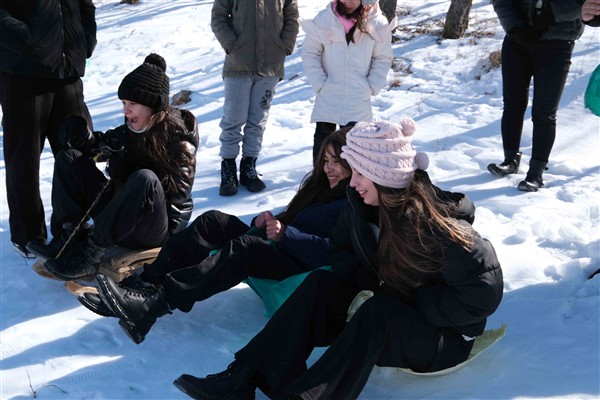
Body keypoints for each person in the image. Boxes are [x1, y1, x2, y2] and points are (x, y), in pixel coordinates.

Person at [170, 119, 503, 400]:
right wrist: (363, 287)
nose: (352, 181)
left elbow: (484, 292)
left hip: (444, 340)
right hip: (393, 313)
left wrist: (415, 300)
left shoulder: (434, 227)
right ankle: (247, 376)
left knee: (378, 312)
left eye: (359, 173)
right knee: (322, 284)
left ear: (384, 175)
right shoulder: (360, 209)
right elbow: (340, 253)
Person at [86, 131, 353, 344]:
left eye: (337, 162)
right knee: (214, 221)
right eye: (326, 161)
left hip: (299, 266)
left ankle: (156, 303)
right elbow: (294, 218)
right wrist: (273, 222)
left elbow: (335, 251)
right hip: (282, 246)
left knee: (245, 248)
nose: (330, 168)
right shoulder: (319, 187)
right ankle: (141, 287)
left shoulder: (351, 202)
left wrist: (288, 235)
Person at [27, 53, 199, 282]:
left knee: (144, 178)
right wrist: (84, 139)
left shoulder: (179, 141)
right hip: (121, 214)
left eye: (133, 104)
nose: (126, 110)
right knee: (69, 158)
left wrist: (131, 167)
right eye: (124, 104)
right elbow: (101, 145)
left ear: (153, 106)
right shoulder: (132, 128)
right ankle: (69, 236)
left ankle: (90, 255)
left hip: (154, 226)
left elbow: (176, 198)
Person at [0, 0, 97, 257]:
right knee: (24, 159)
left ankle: (75, 227)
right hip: (23, 73)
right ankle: (27, 235)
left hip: (69, 71)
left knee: (79, 152)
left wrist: (85, 39)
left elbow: (86, 5)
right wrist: (23, 40)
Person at [487, 0, 586, 192]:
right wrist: (516, 27)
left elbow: (584, 3)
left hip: (557, 42)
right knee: (513, 103)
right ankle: (510, 160)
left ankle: (536, 173)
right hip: (518, 39)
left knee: (544, 111)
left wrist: (553, 14)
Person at [211, 0, 300, 196]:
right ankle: (228, 168)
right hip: (238, 66)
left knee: (257, 120)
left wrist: (284, 46)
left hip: (270, 65)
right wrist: (233, 46)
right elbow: (218, 18)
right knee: (234, 119)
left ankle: (248, 167)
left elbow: (292, 16)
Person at [301, 0, 393, 160]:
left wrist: (371, 86)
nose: (348, 1)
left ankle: (351, 185)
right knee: (323, 149)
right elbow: (310, 52)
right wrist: (321, 84)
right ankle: (320, 184)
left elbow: (382, 58)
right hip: (328, 95)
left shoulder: (377, 22)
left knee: (355, 151)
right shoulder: (325, 19)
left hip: (358, 97)